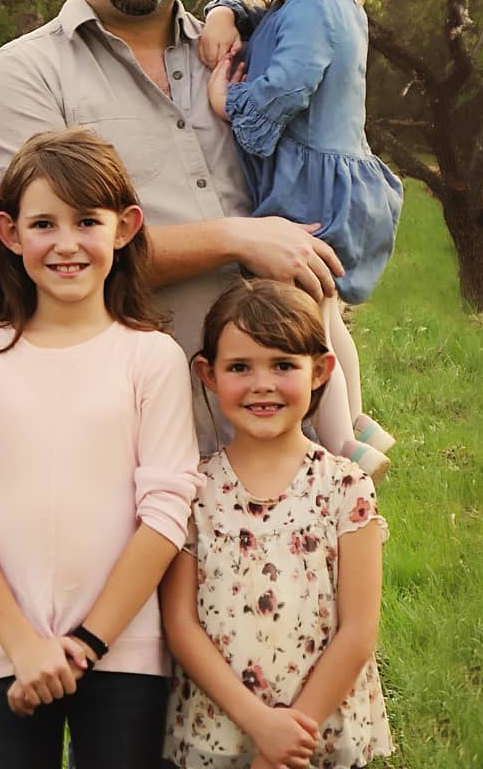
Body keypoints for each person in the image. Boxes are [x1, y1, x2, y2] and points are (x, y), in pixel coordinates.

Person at [0, 0, 345, 453]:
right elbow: (33, 264)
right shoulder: (21, 77)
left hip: (292, 451)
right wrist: (234, 236)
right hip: (125, 454)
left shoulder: (248, 58)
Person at [0, 128, 202, 769]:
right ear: (10, 232)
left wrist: (85, 644)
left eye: (87, 221)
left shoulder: (150, 357)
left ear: (126, 227)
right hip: (3, 650)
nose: (67, 243)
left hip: (125, 647)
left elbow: (164, 515)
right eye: (43, 223)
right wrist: (22, 644)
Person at [200, 0, 403, 482]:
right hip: (336, 182)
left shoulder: (314, 10)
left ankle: (342, 445)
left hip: (312, 192)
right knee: (323, 310)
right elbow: (258, 17)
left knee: (306, 316)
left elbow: (287, 88)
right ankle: (358, 420)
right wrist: (224, 8)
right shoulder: (316, 3)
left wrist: (227, 99)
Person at [161, 279, 392, 769]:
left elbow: (359, 629)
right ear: (208, 373)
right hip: (220, 729)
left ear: (320, 370)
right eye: (240, 367)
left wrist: (291, 737)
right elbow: (180, 623)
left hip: (319, 736)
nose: (262, 384)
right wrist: (261, 725)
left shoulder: (347, 487)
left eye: (283, 364)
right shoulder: (192, 491)